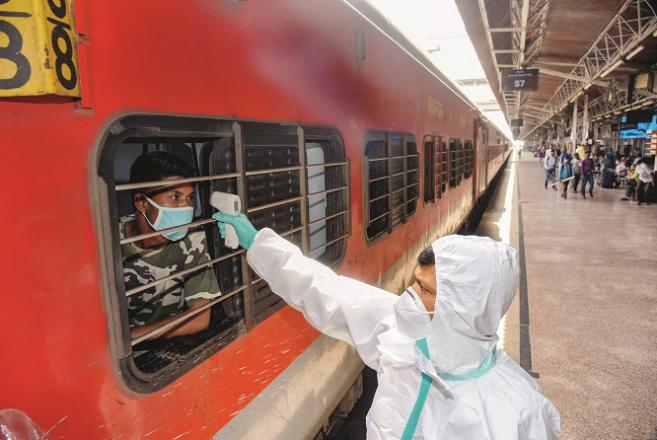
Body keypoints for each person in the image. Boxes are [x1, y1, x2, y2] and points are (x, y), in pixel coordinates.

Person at [212, 213, 561, 439]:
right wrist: (258, 243)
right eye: (415, 281)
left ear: (463, 309)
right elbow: (326, 290)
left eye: (424, 289)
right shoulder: (405, 337)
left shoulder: (516, 414)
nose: (408, 295)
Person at [121, 151, 221, 341]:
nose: (186, 207)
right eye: (175, 197)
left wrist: (128, 339)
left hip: (169, 344)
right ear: (142, 203)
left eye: (190, 198)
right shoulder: (108, 240)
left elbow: (199, 318)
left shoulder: (192, 237)